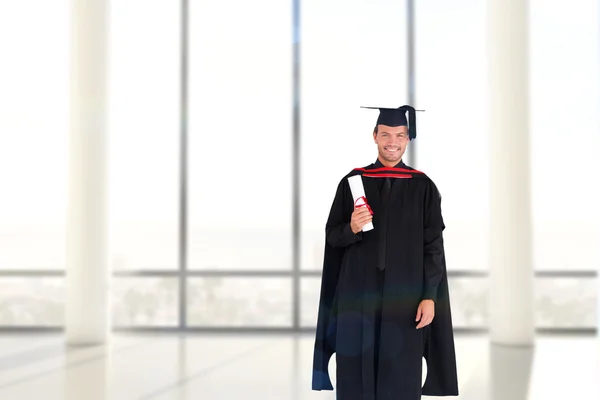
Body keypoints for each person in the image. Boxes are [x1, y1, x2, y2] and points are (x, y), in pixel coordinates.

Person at [311, 105, 458, 399]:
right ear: (375, 136)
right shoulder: (353, 182)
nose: (393, 141)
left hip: (405, 297)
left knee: (401, 370)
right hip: (357, 293)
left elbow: (433, 247)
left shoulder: (423, 186)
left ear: (408, 139)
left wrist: (430, 296)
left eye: (400, 135)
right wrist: (351, 227)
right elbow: (332, 238)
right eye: (386, 134)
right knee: (355, 368)